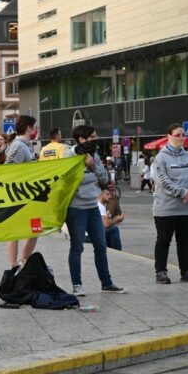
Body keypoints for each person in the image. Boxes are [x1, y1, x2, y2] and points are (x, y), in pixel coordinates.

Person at [65, 124, 126, 296]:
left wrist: (93, 166)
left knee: (100, 245)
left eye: (96, 136)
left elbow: (104, 178)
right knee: (77, 247)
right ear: (81, 139)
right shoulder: (69, 155)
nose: (96, 139)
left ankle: (106, 283)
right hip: (76, 209)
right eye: (92, 137)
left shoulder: (95, 155)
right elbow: (65, 182)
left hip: (92, 206)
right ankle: (77, 285)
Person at [151, 123, 188, 285]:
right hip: (166, 208)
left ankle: (186, 271)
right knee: (163, 241)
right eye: (178, 135)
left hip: (187, 208)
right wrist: (183, 193)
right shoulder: (160, 157)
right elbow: (163, 181)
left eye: (183, 135)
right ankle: (161, 272)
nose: (181, 138)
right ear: (169, 136)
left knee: (184, 241)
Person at [4, 115, 39, 269]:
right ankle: (15, 264)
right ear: (28, 128)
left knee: (35, 228)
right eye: (34, 127)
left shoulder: (24, 145)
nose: (35, 130)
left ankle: (22, 262)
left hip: (27, 197)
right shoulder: (18, 146)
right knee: (18, 231)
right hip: (19, 196)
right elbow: (9, 168)